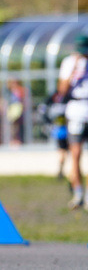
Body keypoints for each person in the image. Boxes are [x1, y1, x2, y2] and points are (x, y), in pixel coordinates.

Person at [58, 34, 88, 209]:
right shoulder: (69, 63)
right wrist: (74, 70)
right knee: (75, 154)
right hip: (76, 111)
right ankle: (78, 193)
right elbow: (62, 90)